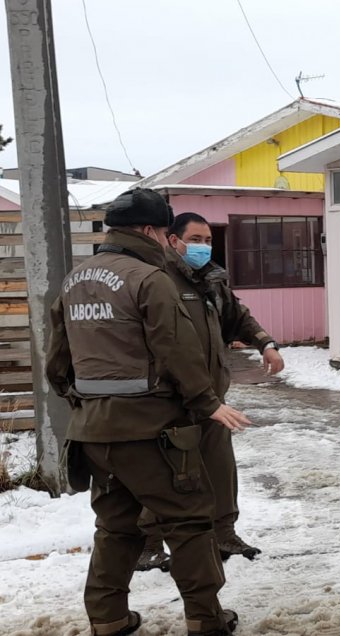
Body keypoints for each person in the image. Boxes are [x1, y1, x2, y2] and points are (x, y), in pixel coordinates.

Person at [46, 188, 247, 636]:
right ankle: (205, 619)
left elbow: (57, 362)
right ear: (153, 230)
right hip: (152, 431)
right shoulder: (149, 279)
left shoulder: (74, 280)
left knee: (116, 527)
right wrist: (207, 403)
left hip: (93, 434)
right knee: (189, 520)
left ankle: (108, 618)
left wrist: (83, 403)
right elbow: (176, 350)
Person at [135, 212, 285, 572]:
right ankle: (149, 544)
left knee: (220, 467)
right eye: (196, 239)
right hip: (169, 399)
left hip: (212, 399)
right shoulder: (157, 281)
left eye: (207, 240)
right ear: (173, 240)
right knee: (163, 473)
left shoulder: (211, 281)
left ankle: (224, 533)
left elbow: (237, 315)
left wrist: (265, 343)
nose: (204, 246)